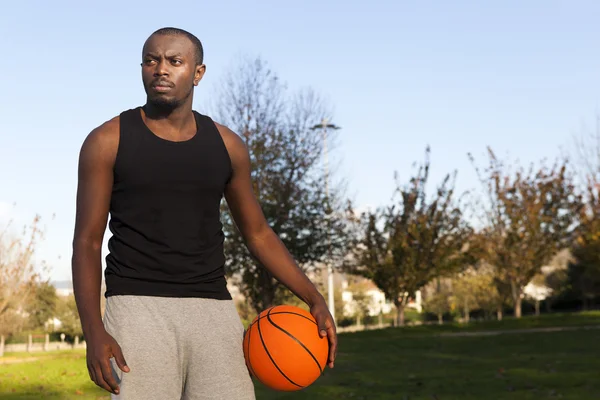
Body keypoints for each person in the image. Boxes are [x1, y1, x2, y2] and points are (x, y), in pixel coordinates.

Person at [71, 27, 337, 400]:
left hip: (214, 309)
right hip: (137, 307)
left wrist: (314, 297)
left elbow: (258, 234)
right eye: (151, 60)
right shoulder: (107, 141)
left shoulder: (228, 146)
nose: (160, 69)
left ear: (198, 73)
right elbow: (87, 241)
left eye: (174, 61)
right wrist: (93, 330)